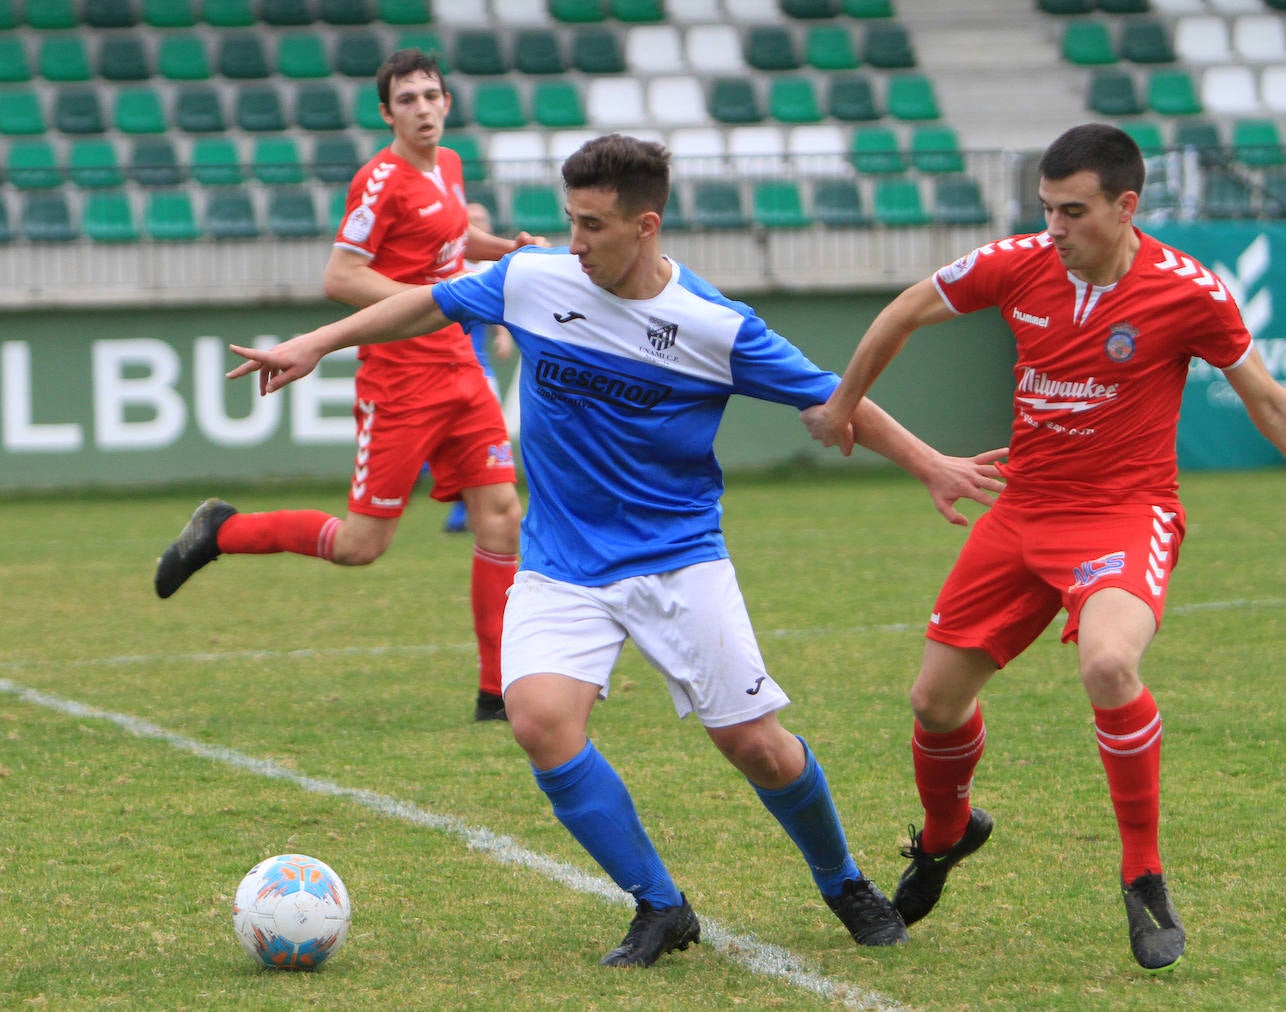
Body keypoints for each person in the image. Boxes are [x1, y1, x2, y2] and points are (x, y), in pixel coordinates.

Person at [223, 134, 1008, 967]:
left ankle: (842, 879)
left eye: (593, 226)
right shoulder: (533, 280)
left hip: (679, 558)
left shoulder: (714, 326)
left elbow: (830, 397)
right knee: (540, 723)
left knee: (755, 744)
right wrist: (315, 343)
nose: (576, 242)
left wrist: (931, 463)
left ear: (646, 224)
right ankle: (661, 905)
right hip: (562, 561)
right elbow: (429, 302)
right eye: (570, 221)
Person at [803, 123, 1286, 972]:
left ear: (1125, 206)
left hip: (1123, 513)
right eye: (1046, 209)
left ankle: (1143, 876)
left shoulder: (1189, 289)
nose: (1055, 227)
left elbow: (1272, 405)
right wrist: (845, 401)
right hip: (1023, 512)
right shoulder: (1019, 262)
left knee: (1109, 664)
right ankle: (947, 836)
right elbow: (906, 309)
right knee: (933, 703)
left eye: (1073, 211)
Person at [154, 50, 545, 723]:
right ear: (387, 112)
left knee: (502, 516)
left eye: (432, 95)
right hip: (400, 381)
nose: (423, 108)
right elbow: (341, 275)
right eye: (409, 99)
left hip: (460, 369)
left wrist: (502, 249)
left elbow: (451, 239)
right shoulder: (379, 180)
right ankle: (223, 531)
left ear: (447, 102)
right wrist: (431, 299)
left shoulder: (447, 167)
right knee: (361, 546)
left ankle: (496, 692)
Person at [443, 202, 516, 535]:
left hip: (478, 368)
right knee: (451, 443)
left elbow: (501, 305)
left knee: (486, 441)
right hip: (442, 365)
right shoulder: (447, 264)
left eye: (481, 221)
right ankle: (461, 502)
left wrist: (502, 336)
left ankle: (465, 511)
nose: (476, 225)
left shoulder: (492, 268)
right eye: (470, 221)